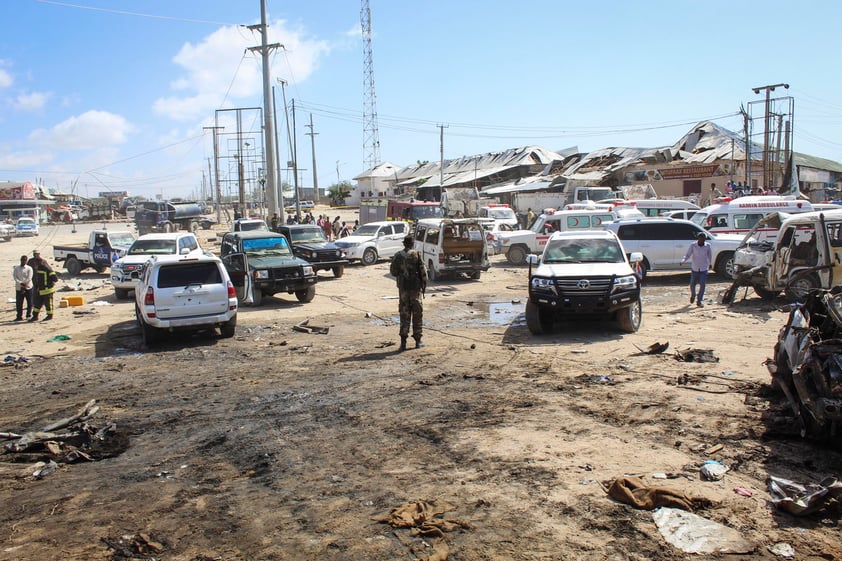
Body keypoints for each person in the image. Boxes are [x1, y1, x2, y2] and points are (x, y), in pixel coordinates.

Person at [389, 235, 427, 351]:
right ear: (412, 243)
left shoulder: (398, 256)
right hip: (415, 289)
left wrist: (402, 274)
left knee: (404, 314)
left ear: (404, 243)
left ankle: (403, 342)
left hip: (403, 289)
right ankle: (418, 340)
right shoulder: (416, 254)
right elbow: (423, 271)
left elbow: (393, 271)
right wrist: (424, 284)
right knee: (417, 313)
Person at [680, 232, 712, 308]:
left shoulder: (707, 246)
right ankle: (693, 295)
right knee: (692, 284)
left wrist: (710, 264)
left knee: (702, 285)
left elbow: (709, 256)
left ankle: (699, 300)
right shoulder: (693, 245)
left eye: (704, 239)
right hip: (695, 268)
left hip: (703, 268)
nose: (702, 240)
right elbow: (688, 254)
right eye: (701, 239)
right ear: (698, 239)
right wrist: (683, 260)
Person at [29, 250, 59, 321]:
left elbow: (55, 278)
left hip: (47, 289)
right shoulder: (36, 266)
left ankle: (49, 316)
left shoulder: (46, 268)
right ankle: (35, 316)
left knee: (48, 304)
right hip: (40, 289)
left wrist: (49, 282)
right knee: (37, 304)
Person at [13, 254, 34, 321]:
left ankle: (28, 315)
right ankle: (19, 316)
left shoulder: (29, 268)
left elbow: (29, 278)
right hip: (19, 288)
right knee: (19, 303)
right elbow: (15, 277)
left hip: (28, 287)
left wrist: (24, 284)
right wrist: (20, 283)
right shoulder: (17, 268)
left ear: (26, 261)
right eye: (22, 260)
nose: (23, 261)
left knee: (29, 302)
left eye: (25, 260)